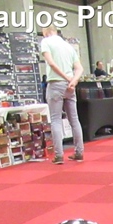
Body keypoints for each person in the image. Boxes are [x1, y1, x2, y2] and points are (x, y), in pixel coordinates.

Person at [40, 26, 84, 164]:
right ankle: (79, 152)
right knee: (74, 120)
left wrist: (66, 77)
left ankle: (59, 155)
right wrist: (73, 80)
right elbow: (79, 68)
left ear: (46, 32)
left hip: (55, 84)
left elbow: (51, 64)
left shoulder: (46, 42)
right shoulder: (68, 46)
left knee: (56, 120)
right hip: (70, 86)